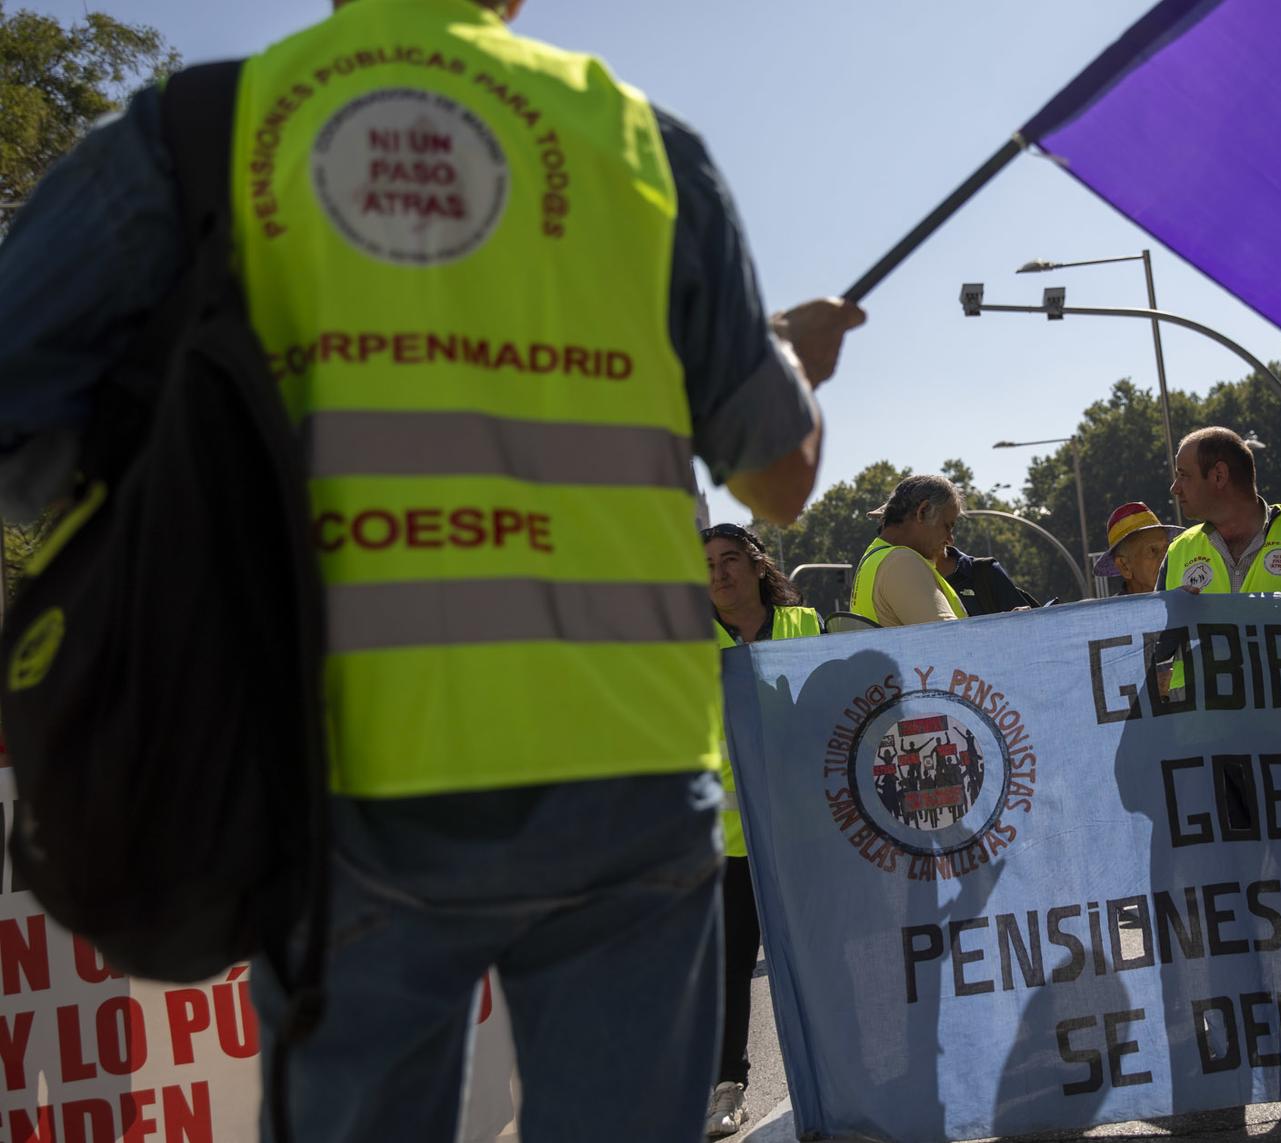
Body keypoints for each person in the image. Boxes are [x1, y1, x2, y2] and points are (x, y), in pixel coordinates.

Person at [0, 1, 865, 1136]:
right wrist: (788, 361)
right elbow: (778, 478)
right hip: (628, 770)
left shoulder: (204, 130)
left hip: (341, 772)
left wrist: (156, 497)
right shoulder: (638, 143)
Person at [705, 523, 822, 1137]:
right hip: (727, 840)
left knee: (822, 956)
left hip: (806, 831)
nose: (719, 574)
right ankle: (728, 1088)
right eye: (706, 566)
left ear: (756, 564)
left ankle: (842, 1069)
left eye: (730, 560)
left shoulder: (806, 626)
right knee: (729, 971)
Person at [1157, 427, 1281, 593]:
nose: (1175, 488)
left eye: (1183, 475)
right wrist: (1175, 614)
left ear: (1219, 476)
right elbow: (1156, 631)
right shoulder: (1177, 552)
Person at [850, 474, 967, 626]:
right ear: (922, 512)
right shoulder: (902, 563)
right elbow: (949, 640)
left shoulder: (874, 559)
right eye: (947, 526)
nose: (950, 539)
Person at [1096, 501, 1180, 596]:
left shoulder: (1182, 600)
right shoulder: (1114, 610)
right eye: (1153, 550)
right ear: (1124, 566)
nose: (1165, 558)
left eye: (1167, 549)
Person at [935, 543, 1038, 615]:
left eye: (949, 526)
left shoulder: (985, 572)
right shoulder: (920, 586)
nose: (950, 537)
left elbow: (1028, 631)